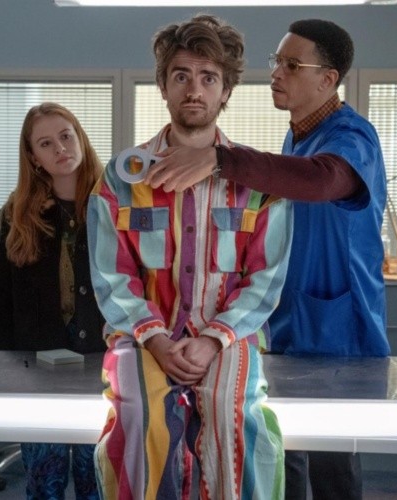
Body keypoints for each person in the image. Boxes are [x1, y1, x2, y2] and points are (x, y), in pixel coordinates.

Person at [144, 19, 390, 500]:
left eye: (292, 64)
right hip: (284, 323)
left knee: (333, 467)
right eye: (277, 61)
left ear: (328, 79)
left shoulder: (352, 135)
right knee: (281, 455)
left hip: (336, 327)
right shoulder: (296, 138)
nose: (276, 72)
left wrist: (221, 160)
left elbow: (323, 180)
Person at [87, 14, 293, 500]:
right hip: (143, 336)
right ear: (162, 86)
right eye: (181, 76)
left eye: (208, 78)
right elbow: (111, 274)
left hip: (228, 336)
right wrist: (157, 340)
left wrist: (212, 339)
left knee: (232, 416)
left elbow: (265, 277)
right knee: (139, 418)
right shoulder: (122, 178)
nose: (194, 90)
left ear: (226, 91)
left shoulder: (260, 182)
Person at [0, 102, 105, 500]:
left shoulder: (115, 205)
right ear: (34, 157)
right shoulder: (14, 215)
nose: (60, 148)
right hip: (37, 368)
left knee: (96, 481)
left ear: (81, 138)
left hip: (103, 363)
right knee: (44, 484)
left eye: (66, 136)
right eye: (46, 143)